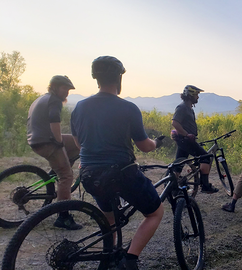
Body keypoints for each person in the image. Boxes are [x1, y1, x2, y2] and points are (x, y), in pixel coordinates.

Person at [70, 56, 164, 270]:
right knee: (155, 213)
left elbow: (78, 142)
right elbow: (144, 146)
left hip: (90, 175)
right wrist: (156, 142)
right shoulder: (128, 108)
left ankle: (108, 258)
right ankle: (129, 261)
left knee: (109, 219)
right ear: (119, 78)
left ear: (96, 79)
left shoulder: (80, 107)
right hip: (121, 174)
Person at [26, 75, 82, 230]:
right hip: (46, 142)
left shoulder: (43, 98)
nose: (67, 93)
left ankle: (56, 171)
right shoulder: (54, 101)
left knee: (78, 143)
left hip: (36, 139)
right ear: (55, 87)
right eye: (64, 89)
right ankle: (63, 217)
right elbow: (54, 123)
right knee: (66, 176)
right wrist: (59, 144)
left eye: (68, 90)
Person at [171, 85, 219, 193]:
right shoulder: (182, 107)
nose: (197, 97)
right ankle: (205, 186)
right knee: (206, 157)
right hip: (186, 140)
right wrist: (187, 134)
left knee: (179, 164)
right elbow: (175, 122)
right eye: (196, 95)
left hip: (185, 140)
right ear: (190, 95)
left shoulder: (189, 108)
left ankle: (173, 186)